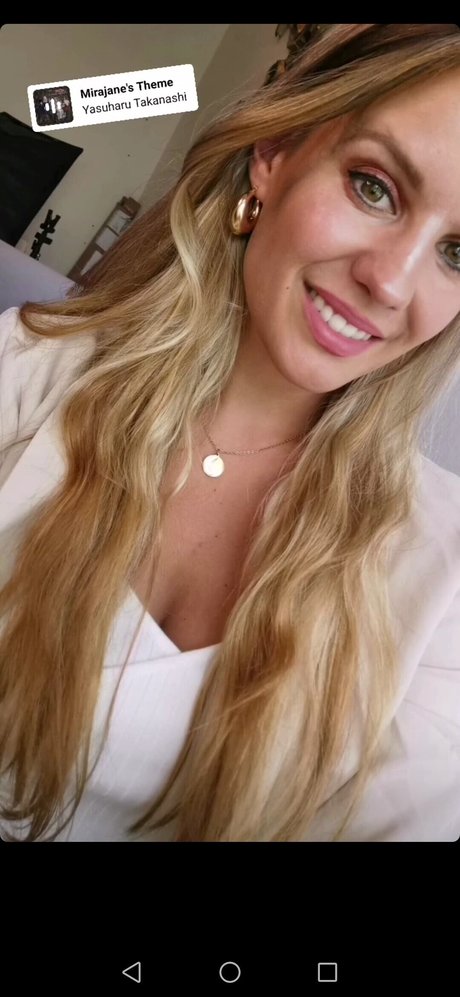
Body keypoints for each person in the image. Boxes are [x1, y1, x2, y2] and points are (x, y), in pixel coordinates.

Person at [1, 23, 460, 843]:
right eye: (373, 187)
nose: (391, 283)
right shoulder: (30, 369)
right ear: (274, 154)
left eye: (458, 253)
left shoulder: (442, 574)